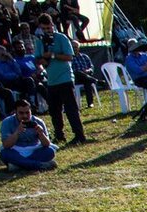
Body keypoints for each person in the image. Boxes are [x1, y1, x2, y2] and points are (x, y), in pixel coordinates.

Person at [34, 13, 85, 144]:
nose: (46, 31)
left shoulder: (61, 38)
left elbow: (69, 57)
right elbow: (38, 60)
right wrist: (43, 59)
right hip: (51, 80)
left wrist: (53, 55)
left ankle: (79, 135)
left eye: (48, 28)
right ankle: (59, 135)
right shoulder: (39, 41)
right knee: (54, 110)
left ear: (52, 25)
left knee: (70, 109)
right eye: (43, 29)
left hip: (65, 78)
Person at [0, 98, 57, 170]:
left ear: (31, 111)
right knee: (4, 154)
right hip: (15, 150)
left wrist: (41, 134)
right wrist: (17, 132)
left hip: (34, 149)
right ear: (15, 112)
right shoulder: (7, 122)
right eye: (21, 113)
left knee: (49, 151)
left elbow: (46, 144)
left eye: (27, 112)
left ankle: (18, 165)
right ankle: (39, 165)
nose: (25, 116)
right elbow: (6, 145)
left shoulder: (38, 122)